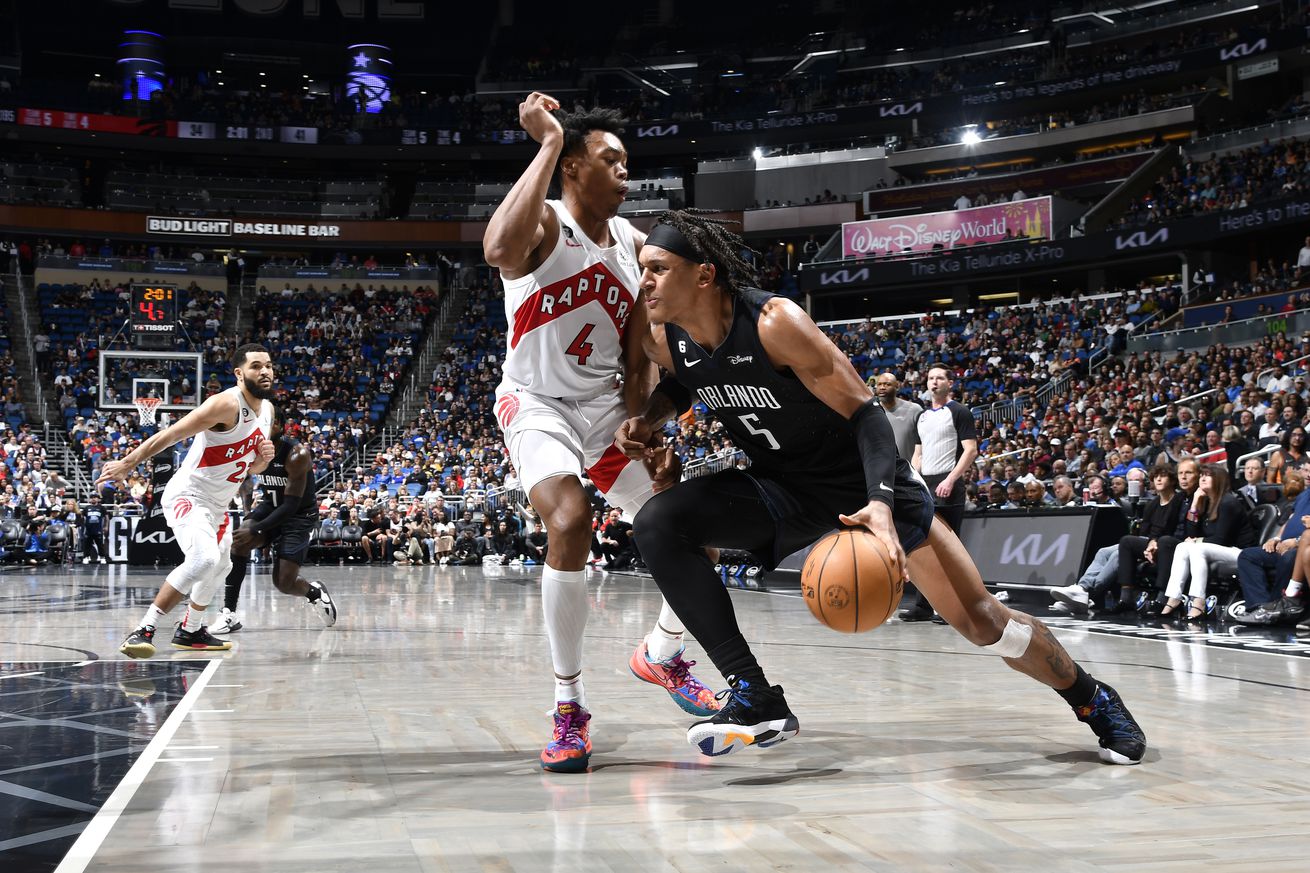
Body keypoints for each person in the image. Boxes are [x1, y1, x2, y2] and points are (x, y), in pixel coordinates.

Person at [618, 209, 1146, 765]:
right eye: (642, 269)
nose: (645, 281)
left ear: (703, 275)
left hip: (864, 485)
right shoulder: (664, 337)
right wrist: (652, 417)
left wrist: (880, 504)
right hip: (782, 488)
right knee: (658, 523)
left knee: (984, 623)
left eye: (658, 268)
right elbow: (685, 385)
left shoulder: (774, 322)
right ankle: (754, 695)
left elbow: (867, 413)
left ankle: (1091, 698)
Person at [482, 94, 719, 772]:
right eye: (611, 161)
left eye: (627, 164)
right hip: (537, 402)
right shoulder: (546, 224)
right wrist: (549, 142)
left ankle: (663, 652)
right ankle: (569, 703)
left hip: (605, 412)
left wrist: (644, 423)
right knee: (570, 517)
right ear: (575, 169)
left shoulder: (636, 247)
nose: (625, 174)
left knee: (688, 527)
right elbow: (498, 248)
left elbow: (643, 348)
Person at [101, 344, 276, 658]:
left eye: (268, 366)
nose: (264, 371)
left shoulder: (268, 411)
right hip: (189, 495)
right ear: (239, 374)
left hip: (219, 506)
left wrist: (264, 460)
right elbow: (170, 435)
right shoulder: (224, 404)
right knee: (204, 559)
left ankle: (191, 630)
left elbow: (252, 467)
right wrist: (128, 463)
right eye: (256, 366)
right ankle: (144, 629)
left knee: (221, 565)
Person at [210, 404, 337, 635]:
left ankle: (314, 593)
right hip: (271, 506)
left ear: (280, 425)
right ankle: (229, 613)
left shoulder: (297, 454)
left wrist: (256, 527)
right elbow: (245, 483)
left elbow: (290, 506)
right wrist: (249, 515)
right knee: (239, 541)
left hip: (298, 516)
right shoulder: (254, 449)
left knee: (283, 583)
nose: (266, 426)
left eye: (271, 422)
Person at [902, 365, 978, 621]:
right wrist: (914, 479)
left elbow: (970, 450)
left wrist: (951, 479)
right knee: (924, 548)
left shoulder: (959, 411)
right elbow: (918, 454)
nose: (934, 382)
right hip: (925, 485)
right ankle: (923, 607)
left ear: (950, 383)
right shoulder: (922, 416)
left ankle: (951, 607)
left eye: (939, 378)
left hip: (949, 485)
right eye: (931, 378)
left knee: (949, 550)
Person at [1159, 464, 1258, 620]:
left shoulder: (1228, 502)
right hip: (1219, 549)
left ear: (1219, 479)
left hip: (1241, 552)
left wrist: (1197, 541)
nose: (1202, 478)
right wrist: (1194, 505)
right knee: (1182, 547)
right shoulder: (1206, 502)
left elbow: (1221, 539)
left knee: (1196, 549)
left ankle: (1198, 601)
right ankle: (1174, 597)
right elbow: (1191, 533)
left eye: (1208, 475)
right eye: (1201, 475)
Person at [80, 493, 107, 563]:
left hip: (98, 529)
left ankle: (102, 557)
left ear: (98, 499)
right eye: (92, 497)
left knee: (100, 544)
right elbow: (82, 517)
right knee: (87, 544)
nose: (93, 498)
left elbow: (106, 517)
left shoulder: (101, 508)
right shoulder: (87, 508)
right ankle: (86, 557)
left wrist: (106, 526)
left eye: (95, 497)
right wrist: (83, 525)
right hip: (88, 529)